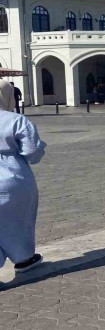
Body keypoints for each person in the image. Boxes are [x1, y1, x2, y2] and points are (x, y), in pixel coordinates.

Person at [0, 79, 46, 273]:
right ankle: (24, 257)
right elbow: (32, 153)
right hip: (13, 179)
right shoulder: (16, 120)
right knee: (20, 219)